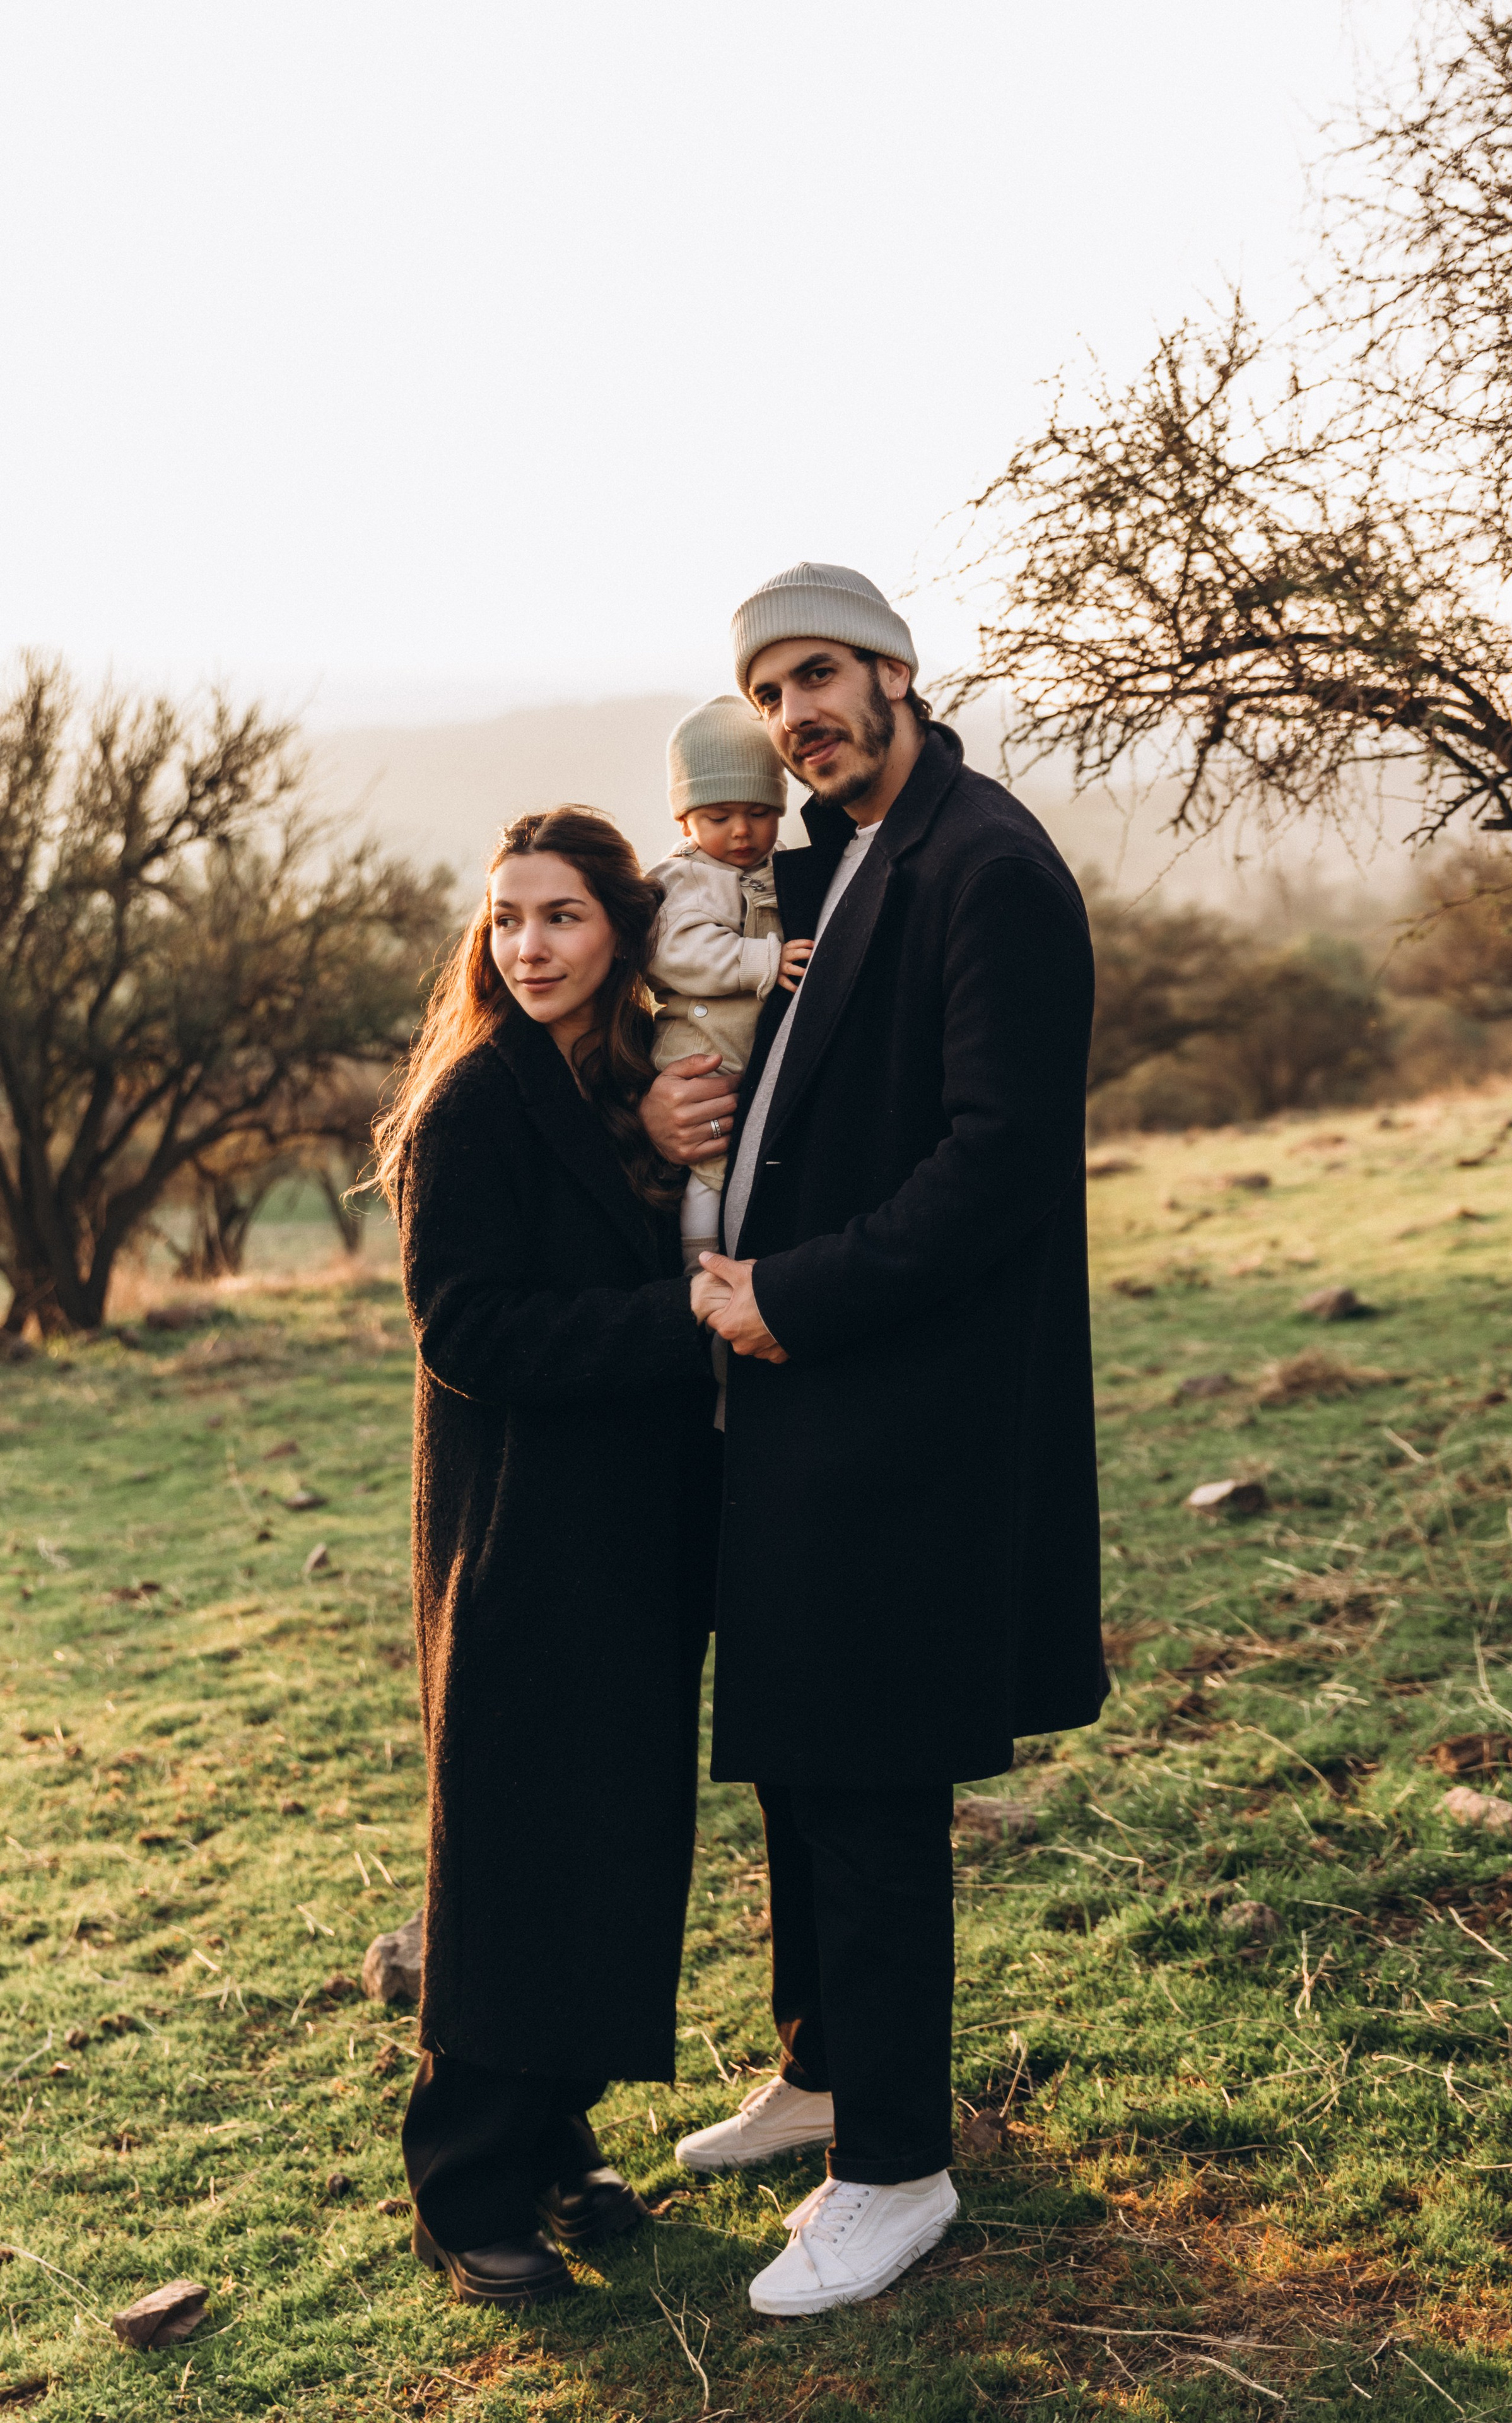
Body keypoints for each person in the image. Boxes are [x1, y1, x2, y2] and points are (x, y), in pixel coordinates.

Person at [641, 562, 1107, 2317]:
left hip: (901, 1406)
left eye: (821, 676)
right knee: (797, 1760)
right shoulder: (843, 862)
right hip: (799, 1400)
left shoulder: (987, 868)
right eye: (769, 694)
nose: (796, 718)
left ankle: (896, 2169)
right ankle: (823, 2071)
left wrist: (794, 1299)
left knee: (872, 1783)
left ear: (899, 671)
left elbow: (995, 1171)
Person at [373, 807, 720, 2309]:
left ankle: (558, 2131)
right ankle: (464, 2180)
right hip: (517, 1536)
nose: (527, 945)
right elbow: (469, 1329)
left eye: (561, 917)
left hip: (627, 1529)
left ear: (619, 931)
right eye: (508, 918)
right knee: (516, 1851)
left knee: (609, 1837)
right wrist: (680, 1315)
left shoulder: (609, 1086)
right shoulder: (472, 1105)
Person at [647, 693, 812, 1273]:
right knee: (705, 1178)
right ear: (685, 819)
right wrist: (760, 960)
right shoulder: (681, 879)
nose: (742, 831)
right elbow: (676, 953)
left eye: (761, 812)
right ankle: (699, 1272)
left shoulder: (782, 866)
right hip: (702, 1053)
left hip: (754, 1058)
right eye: (719, 817)